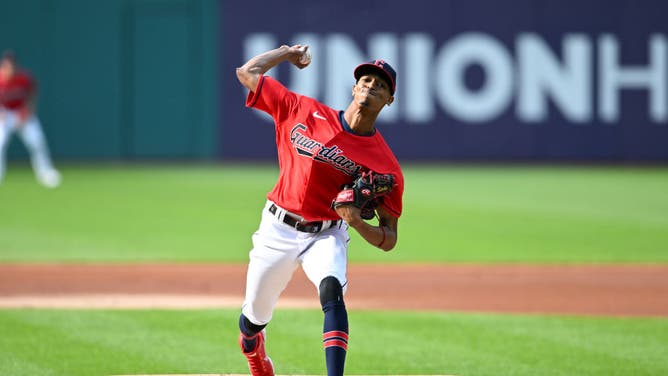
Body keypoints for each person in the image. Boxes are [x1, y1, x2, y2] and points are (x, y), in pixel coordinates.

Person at [234, 44, 404, 376]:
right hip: (277, 229)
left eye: (381, 85)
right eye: (366, 80)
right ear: (355, 88)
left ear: (389, 100)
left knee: (332, 290)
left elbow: (390, 238)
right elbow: (247, 73)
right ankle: (254, 348)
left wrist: (357, 222)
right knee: (253, 321)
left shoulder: (387, 166)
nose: (371, 86)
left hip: (326, 233)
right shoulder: (301, 109)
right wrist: (285, 53)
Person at [0, 50, 61, 188]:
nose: (10, 69)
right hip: (4, 115)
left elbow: (32, 94)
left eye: (12, 66)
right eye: (7, 66)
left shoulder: (24, 78)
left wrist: (28, 110)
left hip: (22, 113)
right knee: (0, 143)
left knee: (37, 141)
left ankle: (45, 173)